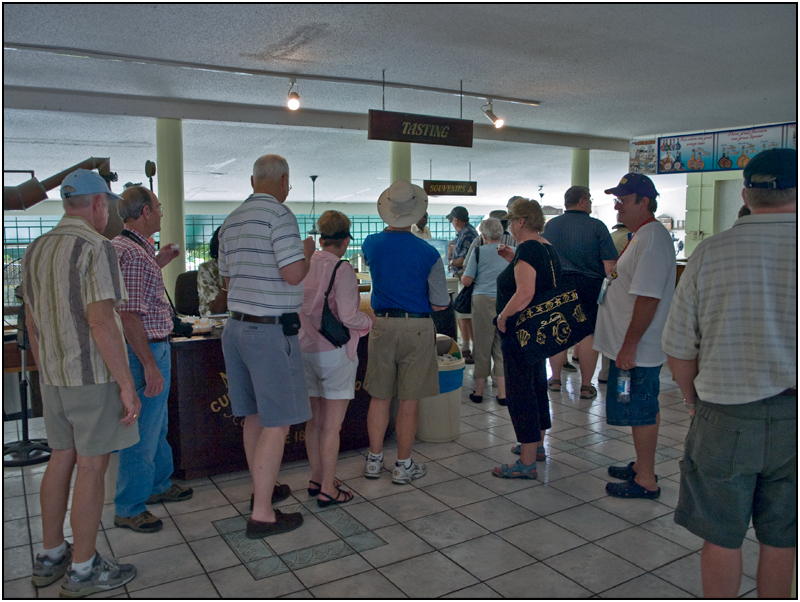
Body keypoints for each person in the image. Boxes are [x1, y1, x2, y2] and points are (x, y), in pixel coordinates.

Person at [663, 148, 797, 598]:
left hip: (724, 414)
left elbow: (680, 349)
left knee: (720, 535)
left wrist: (691, 401)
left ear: (745, 193)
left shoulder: (709, 253)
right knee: (784, 538)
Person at [22, 169, 139, 597]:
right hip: (90, 376)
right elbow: (101, 320)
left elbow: (31, 323)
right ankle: (84, 568)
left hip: (52, 377)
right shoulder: (96, 246)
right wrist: (126, 384)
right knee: (92, 466)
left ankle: (51, 555)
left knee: (60, 458)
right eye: (105, 205)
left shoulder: (36, 248)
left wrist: (46, 369)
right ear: (97, 204)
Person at [218, 154, 314, 538]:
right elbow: (293, 274)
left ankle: (264, 488)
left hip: (236, 328)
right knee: (278, 421)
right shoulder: (280, 216)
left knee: (254, 416)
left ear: (252, 180)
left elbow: (226, 280)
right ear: (286, 181)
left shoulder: (231, 220)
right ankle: (262, 514)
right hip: (270, 331)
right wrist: (306, 254)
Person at [112, 186, 193, 533]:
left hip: (154, 346)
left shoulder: (134, 251)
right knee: (142, 433)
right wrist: (147, 365)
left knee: (157, 426)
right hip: (145, 349)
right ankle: (129, 506)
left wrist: (157, 263)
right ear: (145, 212)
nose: (161, 212)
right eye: (158, 207)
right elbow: (129, 315)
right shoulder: (130, 253)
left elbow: (136, 293)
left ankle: (159, 483)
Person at [594, 173, 676, 499]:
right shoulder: (641, 236)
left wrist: (629, 346)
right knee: (639, 409)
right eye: (615, 200)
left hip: (639, 349)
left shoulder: (652, 238)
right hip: (630, 346)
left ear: (644, 202)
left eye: (623, 201)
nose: (617, 207)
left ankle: (646, 480)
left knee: (641, 409)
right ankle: (642, 465)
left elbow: (648, 298)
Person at [362, 180, 450, 484]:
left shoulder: (370, 244)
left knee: (379, 396)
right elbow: (440, 303)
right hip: (417, 326)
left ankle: (374, 460)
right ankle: (403, 464)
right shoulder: (428, 253)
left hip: (382, 324)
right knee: (409, 400)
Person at [299, 210, 374, 507]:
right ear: (345, 241)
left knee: (314, 423)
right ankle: (329, 488)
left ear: (320, 238)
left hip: (305, 350)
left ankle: (317, 477)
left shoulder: (305, 263)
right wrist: (369, 323)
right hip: (334, 354)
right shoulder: (341, 269)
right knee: (332, 426)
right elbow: (348, 315)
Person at [493, 198, 558, 478]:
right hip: (540, 331)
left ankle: (527, 461)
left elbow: (525, 293)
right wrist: (513, 259)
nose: (509, 227)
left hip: (521, 331)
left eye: (510, 221)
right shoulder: (546, 247)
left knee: (521, 392)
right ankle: (538, 445)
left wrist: (503, 316)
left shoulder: (529, 249)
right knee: (536, 385)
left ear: (520, 222)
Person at [543, 186, 617, 400]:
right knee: (587, 334)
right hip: (589, 285)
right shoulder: (597, 226)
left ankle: (555, 379)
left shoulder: (551, 226)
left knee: (557, 330)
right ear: (583, 201)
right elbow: (609, 265)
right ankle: (586, 386)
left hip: (557, 285)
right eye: (590, 200)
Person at [461, 217, 508, 405]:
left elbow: (467, 280)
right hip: (505, 302)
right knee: (500, 347)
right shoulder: (509, 252)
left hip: (482, 301)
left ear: (483, 234)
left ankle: (479, 392)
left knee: (481, 345)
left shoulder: (478, 252)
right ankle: (503, 394)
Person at [598, 222, 632, 384]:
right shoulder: (632, 238)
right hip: (626, 290)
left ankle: (605, 372)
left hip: (608, 288)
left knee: (609, 331)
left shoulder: (611, 237)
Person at [447, 205, 479, 363]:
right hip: (460, 276)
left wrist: (451, 261)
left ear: (455, 220)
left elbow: (463, 260)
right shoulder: (463, 233)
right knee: (461, 314)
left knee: (467, 315)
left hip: (465, 278)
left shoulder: (467, 234)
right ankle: (466, 348)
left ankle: (472, 349)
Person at [197, 226, 227, 315]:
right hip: (212, 324)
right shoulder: (207, 269)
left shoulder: (244, 268)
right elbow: (217, 310)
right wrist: (228, 277)